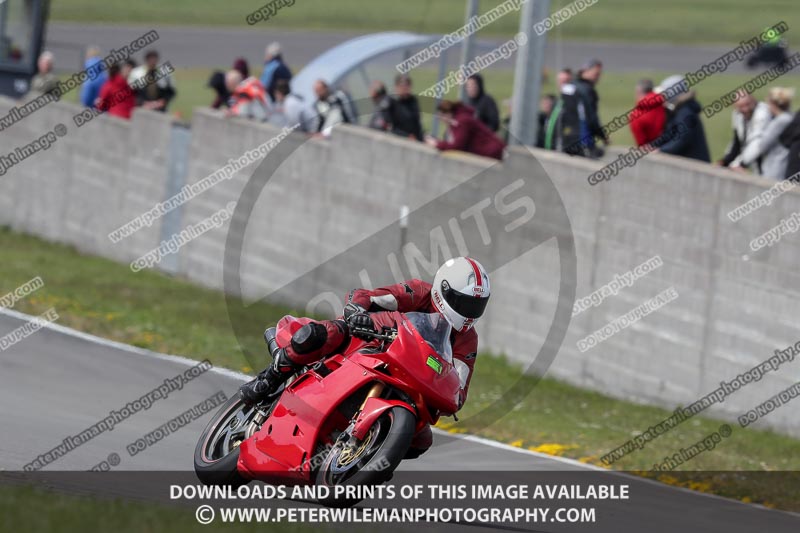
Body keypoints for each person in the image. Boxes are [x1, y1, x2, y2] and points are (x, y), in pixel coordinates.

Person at [239, 257, 491, 458]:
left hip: (411, 379)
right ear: (443, 290)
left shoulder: (467, 339)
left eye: (476, 306)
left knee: (420, 439)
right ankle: (269, 379)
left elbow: (458, 391)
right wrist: (357, 311)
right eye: (465, 303)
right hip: (371, 342)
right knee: (328, 333)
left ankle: (369, 455)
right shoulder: (418, 292)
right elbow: (369, 296)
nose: (470, 313)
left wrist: (446, 394)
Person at [651, 75, 710, 162]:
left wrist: (661, 150)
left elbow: (682, 140)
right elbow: (669, 134)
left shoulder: (685, 112)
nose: (661, 97)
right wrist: (653, 146)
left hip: (694, 165)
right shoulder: (679, 110)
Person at [739, 87, 794, 179]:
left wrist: (743, 163)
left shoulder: (780, 121)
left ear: (773, 104)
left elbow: (763, 145)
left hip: (775, 169)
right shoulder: (790, 117)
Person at [425, 100, 505, 160]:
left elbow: (457, 146)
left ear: (448, 114)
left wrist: (436, 144)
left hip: (493, 153)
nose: (441, 120)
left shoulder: (461, 121)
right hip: (490, 153)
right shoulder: (458, 120)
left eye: (441, 116)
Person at [717, 91, 771, 169]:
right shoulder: (737, 114)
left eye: (748, 104)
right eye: (741, 106)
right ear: (735, 106)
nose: (745, 109)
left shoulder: (763, 113)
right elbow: (737, 141)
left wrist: (740, 164)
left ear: (754, 101)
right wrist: (724, 161)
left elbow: (757, 143)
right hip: (756, 163)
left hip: (770, 162)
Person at [573, 59, 609, 157]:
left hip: (566, 140)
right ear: (586, 71)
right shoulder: (587, 91)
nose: (598, 77)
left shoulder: (571, 86)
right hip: (584, 141)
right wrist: (603, 136)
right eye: (596, 74)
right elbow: (591, 118)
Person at [543, 68, 574, 151]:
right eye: (560, 81)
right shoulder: (556, 102)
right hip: (550, 148)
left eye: (566, 81)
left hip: (563, 149)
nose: (562, 84)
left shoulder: (573, 103)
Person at [628, 79, 666, 146]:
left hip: (654, 151)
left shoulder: (636, 115)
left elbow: (641, 143)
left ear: (639, 91)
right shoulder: (664, 103)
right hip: (672, 146)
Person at [388, 74, 423, 141]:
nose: (405, 88)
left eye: (407, 85)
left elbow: (417, 123)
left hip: (415, 140)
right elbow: (390, 127)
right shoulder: (391, 102)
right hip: (398, 140)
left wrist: (421, 138)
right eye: (402, 85)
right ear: (396, 87)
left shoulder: (413, 100)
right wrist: (406, 136)